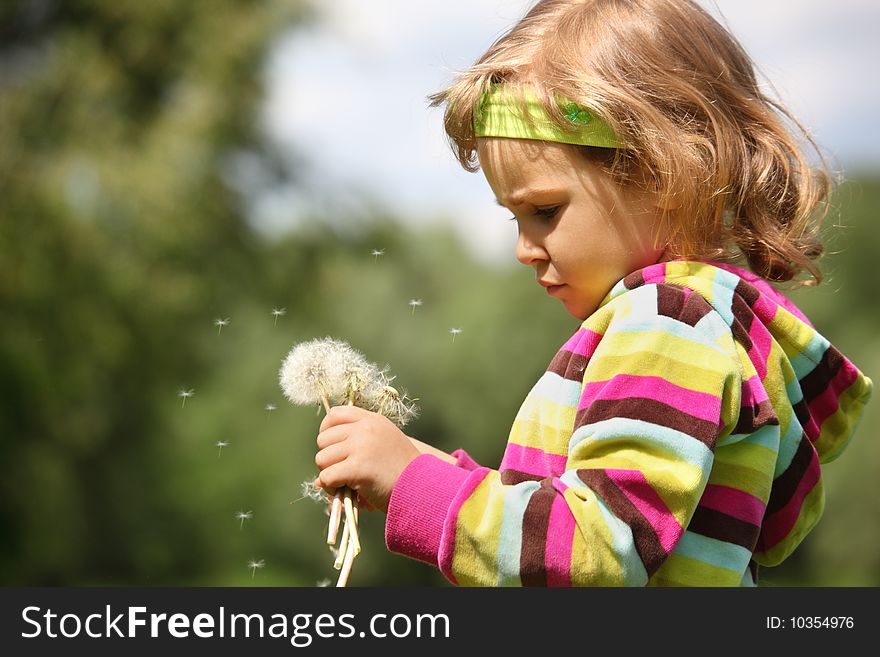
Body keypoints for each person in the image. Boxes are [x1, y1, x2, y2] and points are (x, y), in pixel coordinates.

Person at [313, 0, 872, 586]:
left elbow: (599, 552)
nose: (524, 249)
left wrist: (412, 483)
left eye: (545, 211)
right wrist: (417, 464)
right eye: (515, 219)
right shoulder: (702, 323)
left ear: (664, 174)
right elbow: (578, 516)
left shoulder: (667, 327)